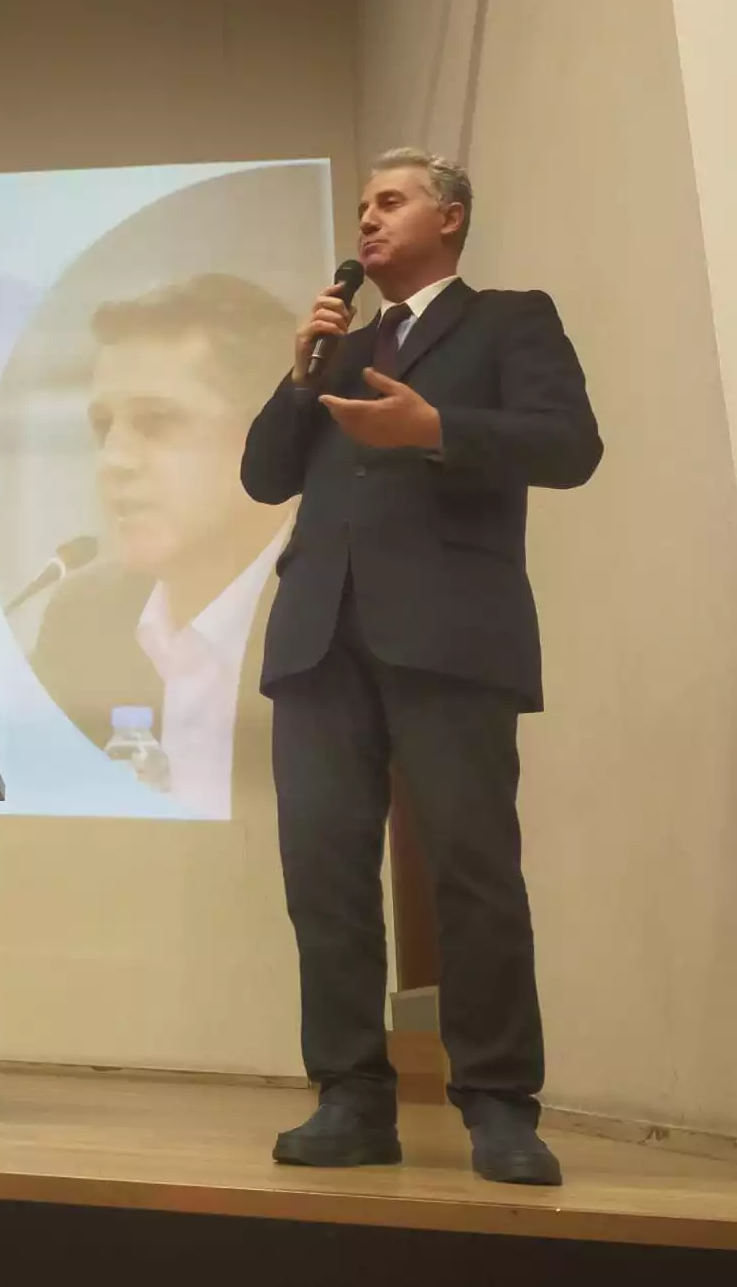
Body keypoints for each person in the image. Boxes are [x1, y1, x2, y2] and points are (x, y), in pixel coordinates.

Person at [240, 148, 602, 1186]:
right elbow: (263, 476)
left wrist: (435, 427)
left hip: (451, 632)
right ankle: (350, 1098)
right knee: (323, 875)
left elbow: (569, 446)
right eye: (361, 206)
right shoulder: (339, 350)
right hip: (319, 637)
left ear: (449, 218)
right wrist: (299, 372)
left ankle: (498, 1104)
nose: (367, 220)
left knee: (471, 870)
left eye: (390, 202)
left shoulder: (509, 321)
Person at [30, 273, 292, 818]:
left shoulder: (346, 610)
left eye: (157, 423)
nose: (113, 461)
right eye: (103, 428)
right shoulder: (80, 622)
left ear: (267, 433)